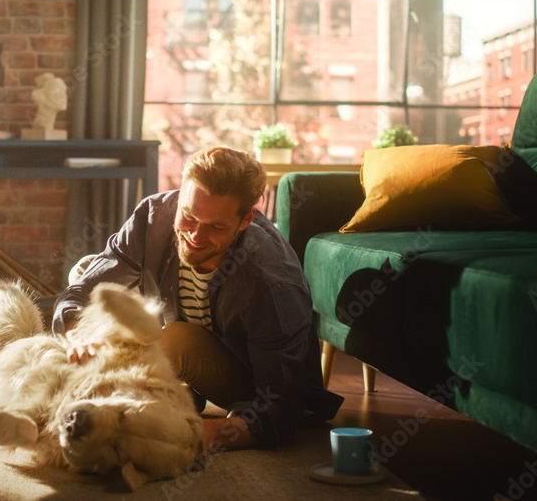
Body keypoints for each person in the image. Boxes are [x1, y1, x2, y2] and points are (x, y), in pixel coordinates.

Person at [52, 146, 343, 452]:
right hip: (185, 352)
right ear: (180, 195)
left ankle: (170, 390)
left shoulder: (272, 283)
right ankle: (179, 390)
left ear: (245, 221)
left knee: (175, 340)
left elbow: (283, 404)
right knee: (86, 271)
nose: (195, 236)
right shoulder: (152, 217)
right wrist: (78, 331)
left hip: (256, 383)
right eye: (189, 216)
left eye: (216, 227)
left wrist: (203, 433)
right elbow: (81, 291)